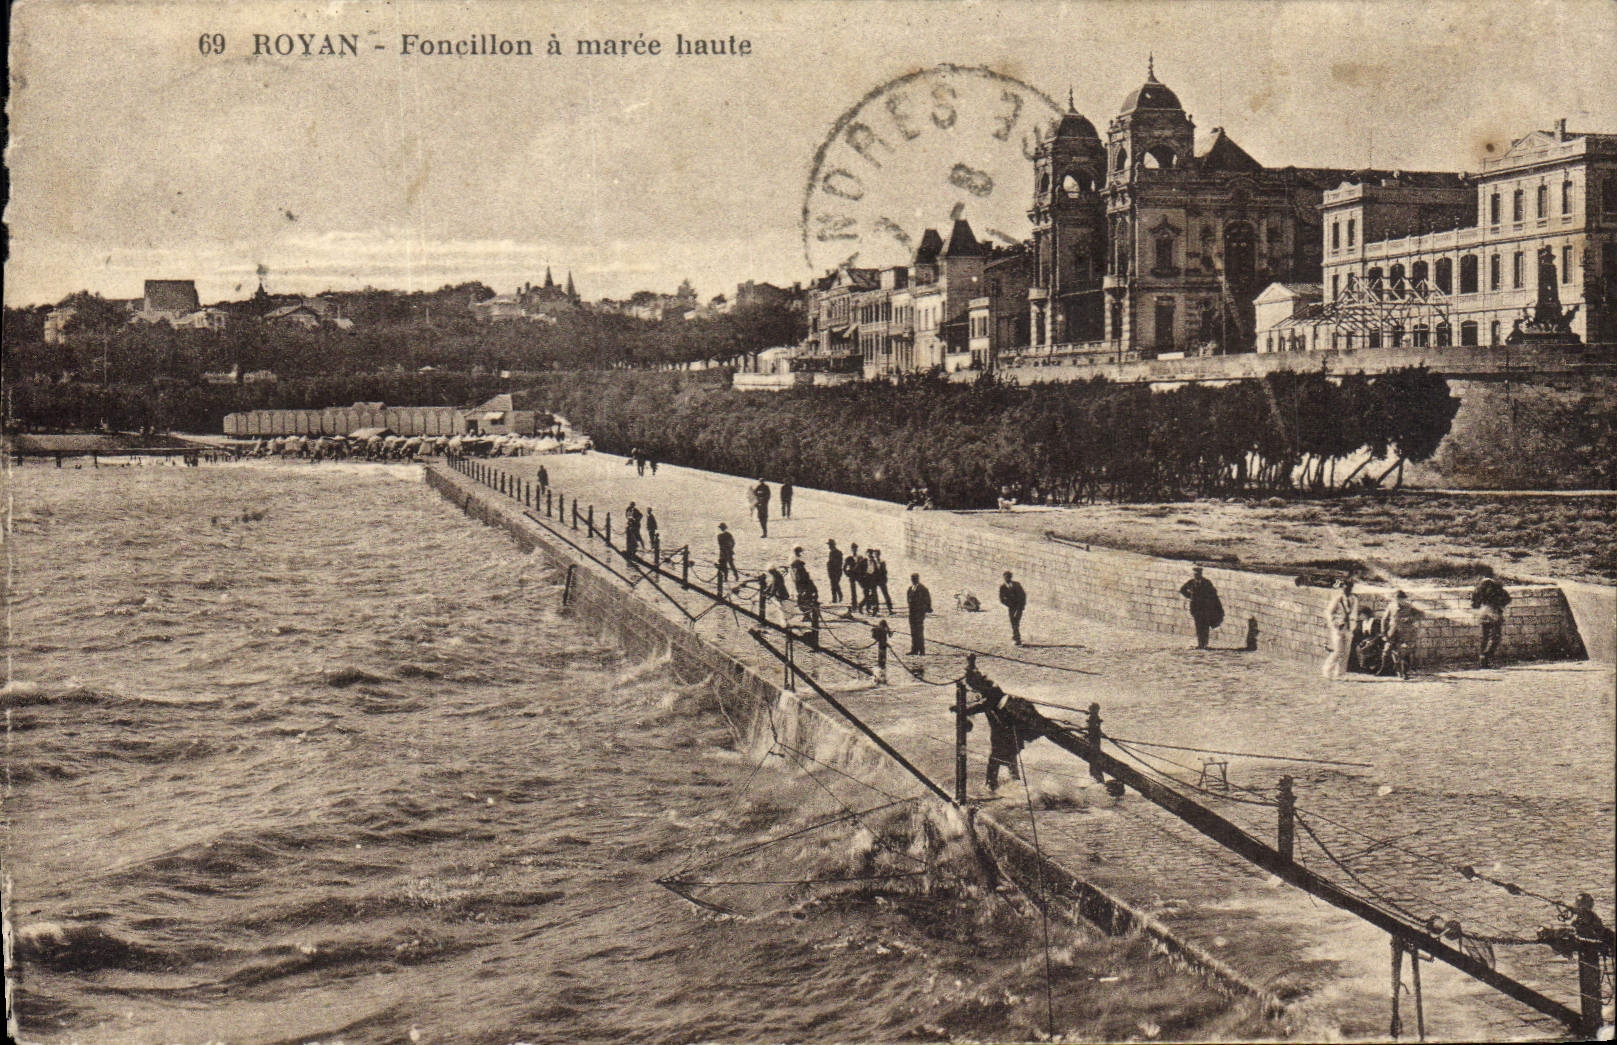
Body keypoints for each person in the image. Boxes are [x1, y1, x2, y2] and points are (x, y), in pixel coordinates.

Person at [960, 655, 1029, 792]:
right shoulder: (990, 690)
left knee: (996, 760)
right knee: (1008, 759)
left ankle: (992, 786)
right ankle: (1013, 784)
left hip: (1006, 730)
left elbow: (984, 706)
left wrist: (963, 711)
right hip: (1003, 731)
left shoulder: (992, 692)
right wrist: (971, 665)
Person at [1321, 578, 1360, 680]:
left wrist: (1353, 626)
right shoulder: (1338, 598)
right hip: (1338, 628)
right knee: (1338, 650)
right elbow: (1329, 612)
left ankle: (1340, 673)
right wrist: (1334, 623)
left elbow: (1354, 613)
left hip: (1348, 628)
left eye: (1349, 587)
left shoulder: (1354, 599)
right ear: (1342, 587)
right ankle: (1327, 670)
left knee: (1346, 652)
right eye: (1345, 587)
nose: (1347, 589)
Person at [1471, 575, 1512, 668]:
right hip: (1494, 612)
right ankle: (1487, 656)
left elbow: (1474, 604)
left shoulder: (1479, 588)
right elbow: (1507, 599)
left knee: (1484, 637)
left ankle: (1482, 658)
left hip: (1483, 612)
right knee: (1496, 637)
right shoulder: (1497, 587)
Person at [1178, 566, 1224, 649]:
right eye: (1195, 574)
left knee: (1205, 626)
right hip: (1195, 608)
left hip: (1205, 608)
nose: (1196, 576)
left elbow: (1213, 592)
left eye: (1198, 574)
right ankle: (1200, 643)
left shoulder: (1207, 582)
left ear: (1201, 574)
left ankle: (1204, 644)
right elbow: (1182, 590)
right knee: (1198, 626)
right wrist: (1190, 596)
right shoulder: (1191, 583)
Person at [1380, 590, 1419, 680]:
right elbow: (1384, 619)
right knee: (1387, 651)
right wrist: (1383, 633)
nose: (1399, 601)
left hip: (1405, 633)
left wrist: (1409, 619)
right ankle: (1385, 669)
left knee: (1403, 652)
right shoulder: (1391, 606)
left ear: (1404, 599)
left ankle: (1403, 672)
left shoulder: (1408, 607)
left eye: (1401, 599)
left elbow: (1420, 614)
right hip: (1392, 632)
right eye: (1397, 599)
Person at [998, 570, 1027, 646]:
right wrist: (1009, 604)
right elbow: (1001, 599)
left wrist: (1022, 606)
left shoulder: (1017, 585)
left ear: (1010, 577)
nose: (1006, 579)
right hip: (1011, 607)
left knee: (1016, 622)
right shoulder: (1003, 587)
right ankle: (1015, 637)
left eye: (1008, 577)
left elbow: (1023, 595)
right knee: (1014, 622)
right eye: (1005, 577)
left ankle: (1017, 639)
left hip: (1019, 607)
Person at [906, 573, 932, 655]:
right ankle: (914, 649)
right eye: (912, 579)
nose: (913, 580)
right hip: (912, 613)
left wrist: (923, 610)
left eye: (914, 579)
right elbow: (908, 599)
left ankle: (921, 650)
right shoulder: (910, 589)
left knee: (919, 632)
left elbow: (927, 601)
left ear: (917, 579)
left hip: (919, 614)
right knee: (913, 632)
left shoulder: (923, 589)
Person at [869, 549, 894, 614]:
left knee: (885, 594)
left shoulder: (882, 562)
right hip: (874, 580)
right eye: (875, 554)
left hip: (881, 580)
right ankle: (875, 609)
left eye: (877, 554)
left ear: (879, 554)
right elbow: (870, 571)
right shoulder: (872, 562)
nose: (876, 555)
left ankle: (890, 609)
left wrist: (884, 578)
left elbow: (885, 571)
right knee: (874, 595)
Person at [871, 618, 893, 684]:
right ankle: (882, 671)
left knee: (881, 658)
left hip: (882, 646)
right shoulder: (882, 630)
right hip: (882, 646)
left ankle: (881, 668)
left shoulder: (880, 630)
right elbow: (886, 638)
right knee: (882, 658)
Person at [716, 523, 737, 587]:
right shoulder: (728, 535)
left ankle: (726, 577)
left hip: (724, 552)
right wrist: (731, 548)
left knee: (725, 565)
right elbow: (733, 542)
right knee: (730, 564)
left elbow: (721, 545)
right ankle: (736, 576)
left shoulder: (719, 536)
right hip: (728, 551)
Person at [825, 539, 844, 605]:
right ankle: (836, 598)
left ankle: (838, 597)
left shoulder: (838, 552)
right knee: (834, 584)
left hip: (836, 571)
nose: (829, 546)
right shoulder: (831, 553)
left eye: (829, 545)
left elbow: (838, 563)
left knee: (835, 584)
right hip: (832, 571)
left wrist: (830, 564)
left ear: (832, 545)